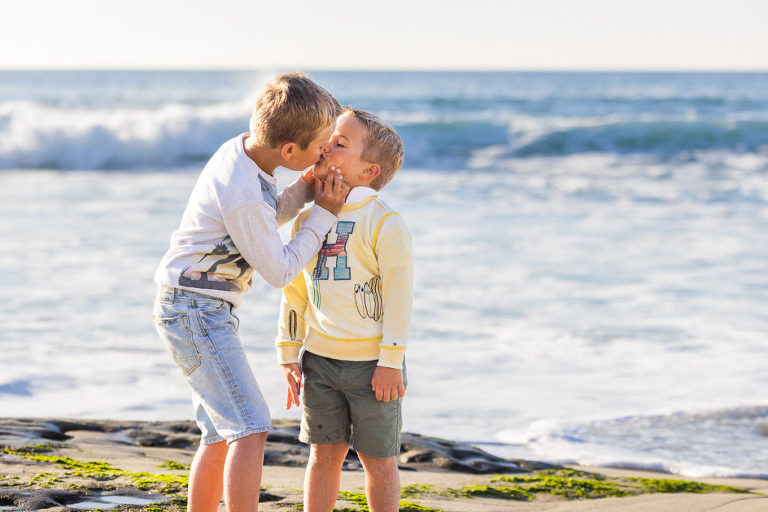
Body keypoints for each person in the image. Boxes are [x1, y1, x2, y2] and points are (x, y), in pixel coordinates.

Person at [152, 72, 349, 512]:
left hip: (191, 306)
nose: (324, 151)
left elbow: (260, 220)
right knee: (251, 424)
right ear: (289, 151)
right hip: (194, 309)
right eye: (320, 145)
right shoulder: (242, 188)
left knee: (221, 429)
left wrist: (302, 189)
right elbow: (279, 269)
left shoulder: (242, 153)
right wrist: (324, 214)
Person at [275, 108, 411, 512]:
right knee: (323, 456)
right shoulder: (307, 221)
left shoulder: (385, 222)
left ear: (369, 171)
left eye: (340, 143)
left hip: (373, 367)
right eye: (328, 137)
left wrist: (391, 361)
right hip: (319, 361)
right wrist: (288, 352)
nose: (325, 145)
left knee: (379, 461)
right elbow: (295, 290)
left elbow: (400, 298)